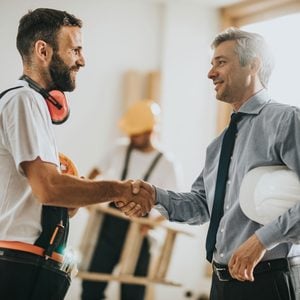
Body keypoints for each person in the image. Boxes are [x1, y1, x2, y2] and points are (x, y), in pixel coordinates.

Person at [118, 27, 300, 300]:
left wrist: (263, 239)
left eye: (221, 62)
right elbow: (202, 205)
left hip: (268, 280)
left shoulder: (286, 121)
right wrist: (156, 195)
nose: (210, 73)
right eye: (211, 63)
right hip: (222, 283)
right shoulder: (219, 144)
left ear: (253, 64)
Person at [0, 8, 152, 300]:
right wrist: (119, 189)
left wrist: (69, 194)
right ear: (43, 50)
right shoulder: (24, 100)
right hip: (18, 263)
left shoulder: (32, 104)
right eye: (75, 50)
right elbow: (49, 188)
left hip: (28, 261)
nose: (82, 60)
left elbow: (48, 195)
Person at [81, 100, 181, 300]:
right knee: (91, 287)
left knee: (133, 293)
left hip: (139, 233)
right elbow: (91, 176)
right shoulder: (118, 150)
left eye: (137, 132)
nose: (132, 136)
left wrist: (151, 224)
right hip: (109, 228)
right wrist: (91, 205)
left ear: (151, 130)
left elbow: (174, 205)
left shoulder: (166, 163)